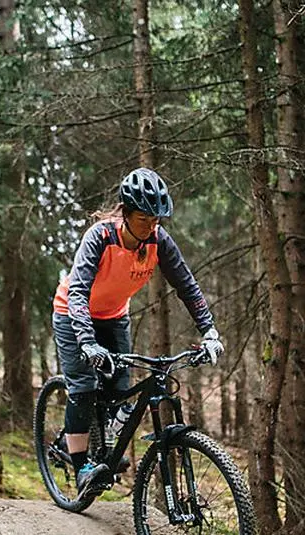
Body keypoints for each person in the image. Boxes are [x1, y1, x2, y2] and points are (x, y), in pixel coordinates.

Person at [51, 167, 223, 497]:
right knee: (84, 389)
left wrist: (210, 331)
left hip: (114, 317)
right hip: (73, 315)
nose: (151, 226)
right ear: (125, 213)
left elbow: (186, 285)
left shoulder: (158, 241)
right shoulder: (100, 237)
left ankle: (103, 446)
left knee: (120, 392)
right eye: (144, 219)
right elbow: (77, 291)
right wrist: (86, 341)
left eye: (157, 220)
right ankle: (80, 466)